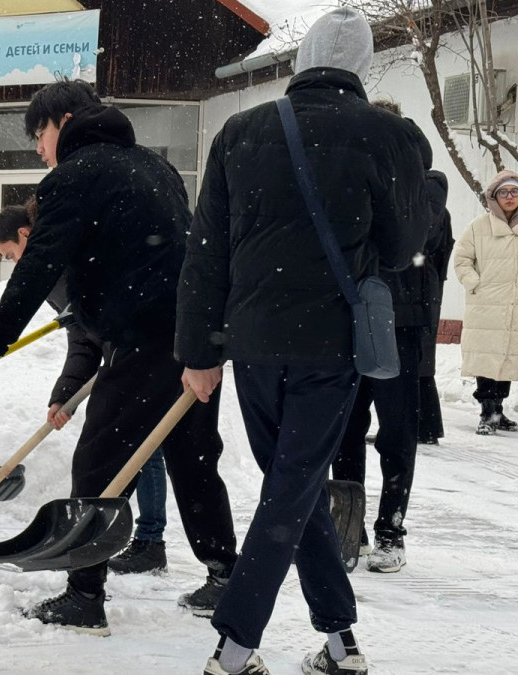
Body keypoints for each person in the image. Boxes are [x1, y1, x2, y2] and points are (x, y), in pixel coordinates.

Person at [176, 8, 429, 675]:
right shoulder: (387, 135)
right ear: (363, 67)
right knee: (293, 485)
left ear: (299, 61)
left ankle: (341, 639)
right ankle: (234, 648)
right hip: (330, 343)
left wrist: (198, 351)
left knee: (295, 485)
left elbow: (205, 252)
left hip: (252, 343)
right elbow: (403, 251)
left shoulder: (241, 131)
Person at [0, 79, 239, 637]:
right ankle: (225, 577)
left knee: (98, 464)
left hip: (144, 338)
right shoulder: (153, 167)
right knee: (193, 456)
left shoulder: (73, 177)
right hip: (191, 338)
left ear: (62, 120)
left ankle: (84, 598)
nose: (40, 148)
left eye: (39, 134)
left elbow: (36, 268)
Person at [0, 201, 170, 575]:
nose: (14, 264)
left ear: (25, 235)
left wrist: (123, 348)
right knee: (148, 444)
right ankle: (153, 543)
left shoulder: (67, 255)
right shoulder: (52, 273)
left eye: (10, 255)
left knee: (150, 446)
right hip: (127, 347)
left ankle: (153, 543)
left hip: (148, 340)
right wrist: (64, 396)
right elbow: (82, 335)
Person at [331, 100, 448, 574]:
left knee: (397, 435)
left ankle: (391, 529)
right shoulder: (354, 178)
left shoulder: (428, 183)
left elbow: (415, 237)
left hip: (402, 327)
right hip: (354, 322)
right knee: (345, 433)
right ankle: (350, 527)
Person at [454, 169, 518, 435]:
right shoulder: (479, 227)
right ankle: (487, 411)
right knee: (486, 357)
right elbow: (461, 259)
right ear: (494, 197)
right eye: (503, 192)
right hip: (486, 305)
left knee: (507, 357)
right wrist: (474, 284)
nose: (510, 196)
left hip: (514, 305)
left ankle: (499, 409)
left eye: (514, 191)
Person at [418, 188, 455, 445]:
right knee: (421, 362)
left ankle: (424, 427)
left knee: (416, 362)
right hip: (427, 289)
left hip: (417, 289)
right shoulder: (440, 210)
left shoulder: (425, 207)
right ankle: (427, 427)